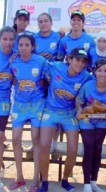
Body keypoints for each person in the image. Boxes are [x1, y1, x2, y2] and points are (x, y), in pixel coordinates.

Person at [37, 48, 93, 192]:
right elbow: (36, 61)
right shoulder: (55, 67)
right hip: (50, 111)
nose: (80, 64)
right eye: (77, 60)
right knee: (44, 146)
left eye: (83, 61)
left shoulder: (87, 77)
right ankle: (45, 182)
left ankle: (65, 179)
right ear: (69, 59)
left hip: (70, 114)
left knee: (73, 149)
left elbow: (100, 85)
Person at [76, 59, 106, 192]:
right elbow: (78, 101)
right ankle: (86, 187)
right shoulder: (88, 86)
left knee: (98, 149)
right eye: (100, 70)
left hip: (102, 122)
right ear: (95, 71)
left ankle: (94, 182)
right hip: (87, 120)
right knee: (89, 148)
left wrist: (105, 109)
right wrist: (79, 110)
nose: (102, 74)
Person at [8, 33, 48, 192]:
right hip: (19, 105)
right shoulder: (13, 62)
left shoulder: (41, 62)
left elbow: (49, 80)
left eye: (27, 45)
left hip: (37, 105)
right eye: (21, 45)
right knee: (15, 139)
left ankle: (35, 179)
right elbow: (12, 80)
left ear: (33, 47)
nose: (23, 48)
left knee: (35, 140)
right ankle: (19, 177)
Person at [34, 12, 61, 153]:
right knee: (40, 112)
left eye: (45, 21)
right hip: (38, 80)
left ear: (51, 23)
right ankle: (36, 142)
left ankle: (54, 143)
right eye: (40, 21)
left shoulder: (58, 37)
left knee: (54, 109)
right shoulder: (34, 38)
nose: (43, 23)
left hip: (53, 80)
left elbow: (61, 58)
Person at [0, 26, 16, 188]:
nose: (8, 42)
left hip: (4, 102)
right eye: (5, 39)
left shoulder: (16, 56)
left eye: (11, 39)